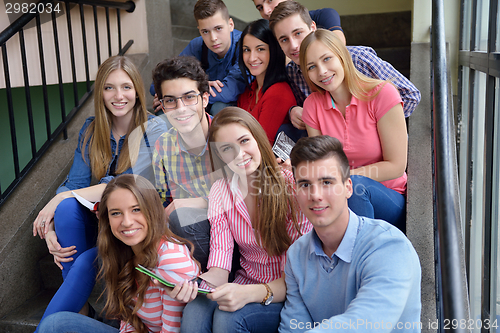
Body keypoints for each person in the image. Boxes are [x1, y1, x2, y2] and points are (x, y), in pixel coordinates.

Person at [32, 56, 168, 328]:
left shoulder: (154, 128)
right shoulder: (91, 129)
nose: (119, 96)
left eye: (126, 87)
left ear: (137, 91)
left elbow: (132, 185)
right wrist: (50, 229)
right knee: (67, 208)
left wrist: (61, 197)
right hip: (101, 224)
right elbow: (72, 186)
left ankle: (75, 317)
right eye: (109, 88)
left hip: (132, 228)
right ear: (100, 93)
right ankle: (80, 311)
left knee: (83, 259)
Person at [180, 107, 312, 333]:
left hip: (287, 293)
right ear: (220, 155)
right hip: (243, 284)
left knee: (227, 317)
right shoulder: (220, 191)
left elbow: (302, 273)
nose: (239, 154)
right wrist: (193, 285)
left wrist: (249, 294)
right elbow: (220, 266)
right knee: (195, 307)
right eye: (227, 149)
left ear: (258, 138)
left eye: (244, 141)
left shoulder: (292, 186)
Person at [279, 135, 421, 333]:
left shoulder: (389, 245)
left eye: (326, 182)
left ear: (348, 188)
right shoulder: (296, 255)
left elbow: (365, 324)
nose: (315, 195)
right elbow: (294, 327)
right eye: (305, 184)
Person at [37, 174, 201, 333]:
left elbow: (172, 329)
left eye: (136, 209)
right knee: (55, 324)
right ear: (106, 218)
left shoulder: (171, 258)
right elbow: (127, 320)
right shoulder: (120, 252)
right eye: (116, 213)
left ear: (153, 211)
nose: (127, 222)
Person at [300, 28, 408, 230]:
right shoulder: (312, 105)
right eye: (312, 67)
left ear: (342, 56)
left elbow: (396, 166)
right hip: (340, 195)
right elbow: (320, 164)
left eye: (327, 59)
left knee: (357, 187)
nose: (322, 71)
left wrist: (345, 178)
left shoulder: (382, 94)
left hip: (388, 197)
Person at [269, 0, 421, 136]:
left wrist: (376, 127)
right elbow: (310, 108)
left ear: (313, 27)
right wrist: (292, 111)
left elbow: (410, 95)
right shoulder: (292, 71)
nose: (294, 45)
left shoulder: (358, 58)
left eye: (298, 33)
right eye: (284, 40)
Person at [152, 56, 214, 271]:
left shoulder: (231, 136)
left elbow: (246, 196)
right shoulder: (163, 146)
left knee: (181, 213)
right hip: (191, 242)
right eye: (170, 101)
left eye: (189, 97)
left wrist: (191, 203)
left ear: (204, 98)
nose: (180, 108)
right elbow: (162, 201)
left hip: (237, 240)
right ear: (162, 106)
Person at [150, 0, 247, 115]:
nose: (213, 38)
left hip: (235, 103)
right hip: (202, 98)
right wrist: (173, 98)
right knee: (163, 109)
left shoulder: (245, 45)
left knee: (219, 108)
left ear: (230, 25)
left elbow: (228, 92)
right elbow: (157, 85)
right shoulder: (198, 45)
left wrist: (185, 96)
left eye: (218, 28)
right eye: (205, 31)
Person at [237, 19, 296, 144]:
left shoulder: (278, 92)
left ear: (274, 50)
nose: (252, 58)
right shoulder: (248, 90)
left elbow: (262, 146)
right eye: (247, 50)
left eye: (260, 49)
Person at [252, 0, 346, 45]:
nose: (265, 11)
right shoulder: (266, 34)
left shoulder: (324, 15)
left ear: (312, 26)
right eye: (260, 8)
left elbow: (339, 45)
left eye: (269, 0)